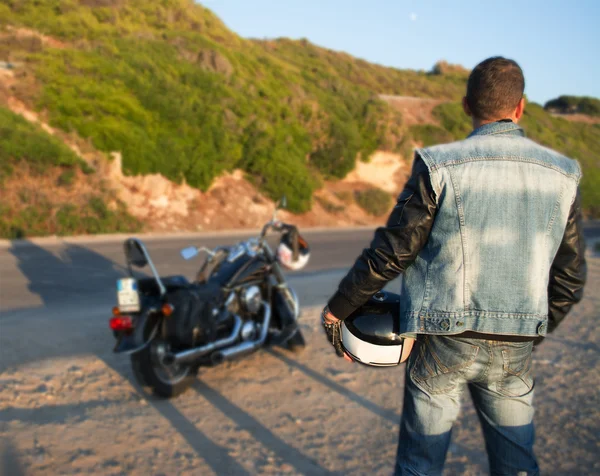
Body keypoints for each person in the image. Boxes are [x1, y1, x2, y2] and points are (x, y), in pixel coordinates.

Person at [321, 57, 587, 475]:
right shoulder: (564, 174)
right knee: (517, 462)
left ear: (466, 105)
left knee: (420, 464)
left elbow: (393, 250)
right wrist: (530, 327)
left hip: (441, 338)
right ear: (520, 108)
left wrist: (339, 307)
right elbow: (570, 278)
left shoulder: (438, 165)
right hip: (515, 343)